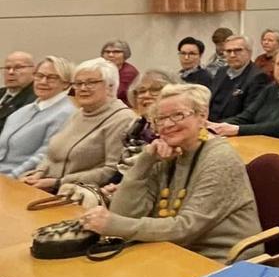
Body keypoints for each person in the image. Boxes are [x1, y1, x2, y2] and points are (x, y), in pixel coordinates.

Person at [79, 84, 260, 261]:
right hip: (169, 251)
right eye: (160, 119)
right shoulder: (165, 154)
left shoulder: (220, 159)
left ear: (202, 116)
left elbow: (186, 229)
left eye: (178, 115)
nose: (167, 124)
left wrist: (113, 224)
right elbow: (124, 213)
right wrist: (145, 161)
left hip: (220, 261)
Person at [23, 58, 133, 192]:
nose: (83, 88)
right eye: (78, 83)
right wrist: (39, 173)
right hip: (48, 186)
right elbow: (52, 155)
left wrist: (58, 182)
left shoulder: (122, 118)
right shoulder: (78, 113)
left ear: (110, 86)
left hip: (77, 193)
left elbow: (111, 170)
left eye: (91, 83)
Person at [210, 46, 279, 141]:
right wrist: (216, 126)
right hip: (261, 142)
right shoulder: (271, 88)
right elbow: (246, 116)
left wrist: (237, 129)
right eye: (278, 63)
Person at [0, 56, 74, 177]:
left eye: (52, 78)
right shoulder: (23, 111)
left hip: (18, 179)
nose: (43, 81)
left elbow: (44, 156)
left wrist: (11, 177)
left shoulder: (67, 113)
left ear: (66, 84)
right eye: (39, 76)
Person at [104, 68, 174, 191]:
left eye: (155, 90)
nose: (146, 95)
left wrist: (122, 188)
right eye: (141, 91)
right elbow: (121, 169)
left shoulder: (173, 130)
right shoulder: (135, 128)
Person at [209, 35, 272, 122]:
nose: (232, 55)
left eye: (238, 50)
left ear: (249, 52)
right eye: (228, 51)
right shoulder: (221, 72)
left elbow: (249, 115)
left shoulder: (258, 77)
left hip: (231, 126)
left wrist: (215, 125)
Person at [0, 51, 37, 133]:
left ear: (34, 71)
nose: (11, 72)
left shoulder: (35, 100)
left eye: (18, 67)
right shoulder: (1, 92)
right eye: (7, 68)